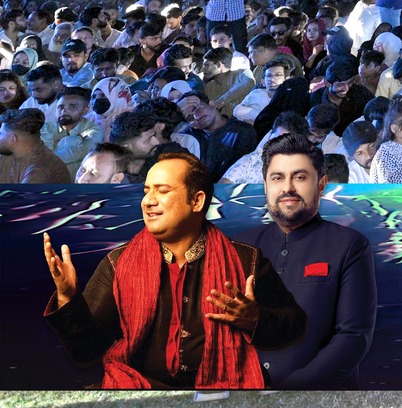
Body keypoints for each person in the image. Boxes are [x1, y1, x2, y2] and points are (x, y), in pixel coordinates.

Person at [43, 149, 305, 389]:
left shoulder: (245, 260)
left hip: (225, 388)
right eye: (147, 190)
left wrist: (255, 319)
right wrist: (68, 297)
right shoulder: (118, 263)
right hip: (138, 387)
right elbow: (86, 352)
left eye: (162, 191)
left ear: (197, 201)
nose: (148, 201)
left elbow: (294, 325)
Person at [249, 135, 377, 387]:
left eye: (299, 177)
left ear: (321, 184)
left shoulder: (349, 245)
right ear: (265, 185)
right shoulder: (240, 246)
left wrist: (291, 390)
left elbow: (353, 336)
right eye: (277, 178)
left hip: (320, 399)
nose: (287, 188)